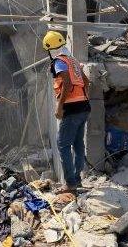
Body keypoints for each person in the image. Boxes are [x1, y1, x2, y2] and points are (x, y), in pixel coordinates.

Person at [42, 30, 91, 193]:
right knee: (78, 144)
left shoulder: (58, 62)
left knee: (62, 144)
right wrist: (83, 99)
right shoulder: (73, 61)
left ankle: (70, 184)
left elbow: (68, 84)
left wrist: (59, 106)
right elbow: (86, 82)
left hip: (71, 109)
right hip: (83, 107)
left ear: (51, 49)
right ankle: (77, 180)